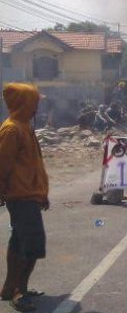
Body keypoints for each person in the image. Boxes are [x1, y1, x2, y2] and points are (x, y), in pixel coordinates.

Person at [0, 83, 50, 312]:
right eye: (34, 103)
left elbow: (32, 166)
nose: (37, 107)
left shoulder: (24, 126)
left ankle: (10, 288)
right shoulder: (12, 130)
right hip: (20, 197)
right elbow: (2, 167)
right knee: (31, 245)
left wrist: (42, 193)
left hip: (30, 195)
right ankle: (19, 292)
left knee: (19, 241)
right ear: (24, 103)